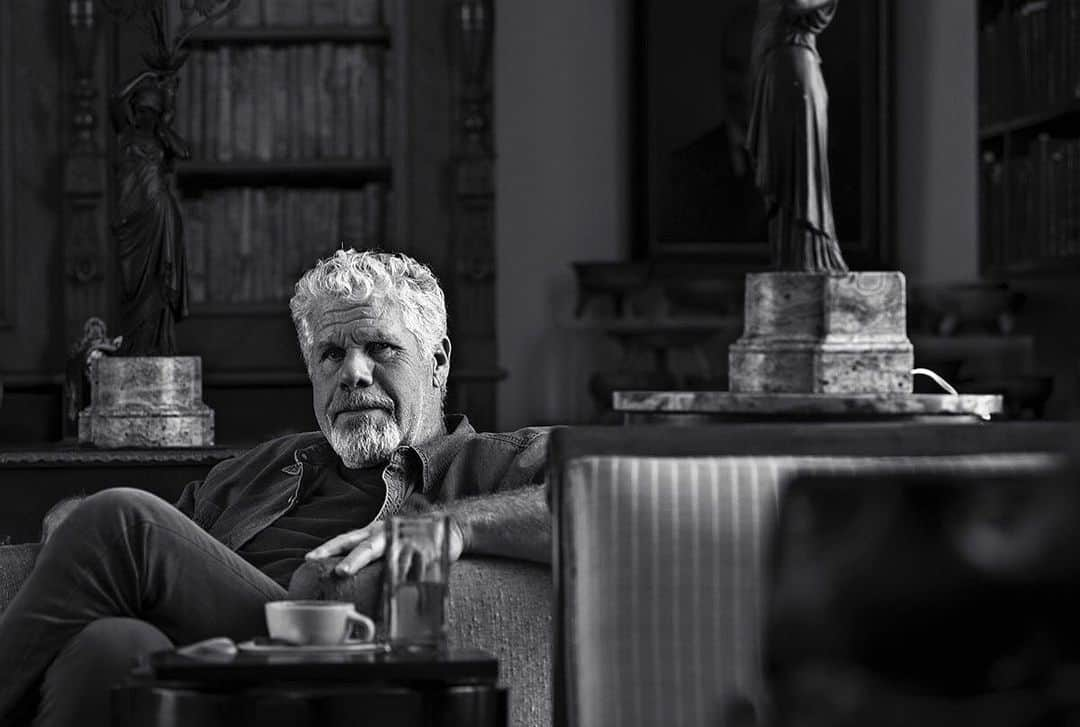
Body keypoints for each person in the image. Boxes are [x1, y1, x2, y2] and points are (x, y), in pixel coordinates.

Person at [0, 250, 551, 727]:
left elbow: (605, 504)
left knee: (120, 520)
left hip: (323, 657)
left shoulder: (493, 460)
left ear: (437, 362)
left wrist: (449, 524)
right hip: (210, 667)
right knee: (112, 647)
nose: (353, 373)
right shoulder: (269, 465)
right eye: (331, 355)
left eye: (381, 348)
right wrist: (74, 516)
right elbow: (159, 554)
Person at [746, 0, 848, 273]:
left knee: (805, 162)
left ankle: (806, 251)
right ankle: (803, 252)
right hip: (791, 66)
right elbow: (795, 5)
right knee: (799, 163)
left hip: (798, 63)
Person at [110, 70, 191, 355]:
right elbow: (115, 97)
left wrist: (164, 124)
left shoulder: (160, 137)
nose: (146, 115)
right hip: (131, 215)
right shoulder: (126, 132)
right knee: (131, 282)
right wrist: (143, 76)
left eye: (151, 110)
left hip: (159, 211)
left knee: (159, 283)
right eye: (141, 109)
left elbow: (184, 152)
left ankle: (157, 347)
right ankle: (133, 346)